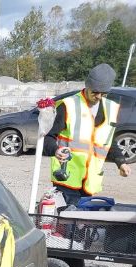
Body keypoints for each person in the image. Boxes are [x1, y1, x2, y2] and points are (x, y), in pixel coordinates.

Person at [43, 63, 131, 207]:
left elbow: (109, 141)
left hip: (91, 182)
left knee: (83, 224)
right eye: (95, 92)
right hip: (67, 180)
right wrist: (55, 150)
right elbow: (48, 137)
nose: (98, 96)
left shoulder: (111, 108)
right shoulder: (68, 105)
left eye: (103, 93)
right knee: (67, 222)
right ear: (87, 85)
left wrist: (121, 162)